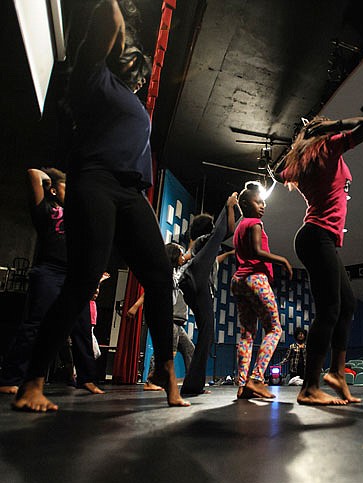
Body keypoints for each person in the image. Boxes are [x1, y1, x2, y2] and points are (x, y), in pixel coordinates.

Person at [12, 1, 189, 411]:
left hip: (130, 192)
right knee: (82, 279)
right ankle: (32, 383)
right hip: (94, 182)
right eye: (133, 63)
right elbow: (109, 20)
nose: (139, 75)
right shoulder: (92, 79)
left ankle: (164, 367)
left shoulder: (127, 96)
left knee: (160, 276)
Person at [273, 115, 363, 405]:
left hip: (318, 238)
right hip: (317, 236)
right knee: (330, 309)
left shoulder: (302, 161)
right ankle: (309, 387)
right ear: (321, 131)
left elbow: (278, 172)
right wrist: (333, 127)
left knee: (348, 304)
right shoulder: (327, 148)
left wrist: (309, 135)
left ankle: (337, 374)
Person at [1, 169, 101, 396]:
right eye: (67, 186)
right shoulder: (47, 209)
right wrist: (53, 181)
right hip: (49, 271)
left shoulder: (81, 216)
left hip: (75, 276)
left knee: (82, 328)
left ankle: (86, 378)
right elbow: (33, 174)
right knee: (34, 325)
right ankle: (10, 377)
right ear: (54, 189)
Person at [231, 181, 291, 399]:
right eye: (258, 202)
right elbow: (256, 251)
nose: (263, 206)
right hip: (255, 279)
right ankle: (256, 379)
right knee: (275, 329)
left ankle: (242, 385)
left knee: (246, 334)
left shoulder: (239, 226)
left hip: (238, 280)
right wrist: (282, 260)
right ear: (246, 204)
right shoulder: (255, 223)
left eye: (263, 202)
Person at [177, 195, 238, 395]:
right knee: (207, 333)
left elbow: (225, 231)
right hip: (197, 283)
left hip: (194, 285)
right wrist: (228, 205)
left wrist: (229, 209)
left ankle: (193, 383)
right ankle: (193, 384)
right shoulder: (205, 241)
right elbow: (224, 230)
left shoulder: (204, 246)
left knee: (206, 333)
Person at [127, 243, 196, 391]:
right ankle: (151, 381)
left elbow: (190, 255)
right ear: (173, 255)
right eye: (180, 254)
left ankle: (192, 384)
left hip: (177, 320)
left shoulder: (177, 273)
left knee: (190, 350)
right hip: (169, 318)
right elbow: (150, 290)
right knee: (166, 352)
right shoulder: (165, 272)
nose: (182, 257)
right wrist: (135, 307)